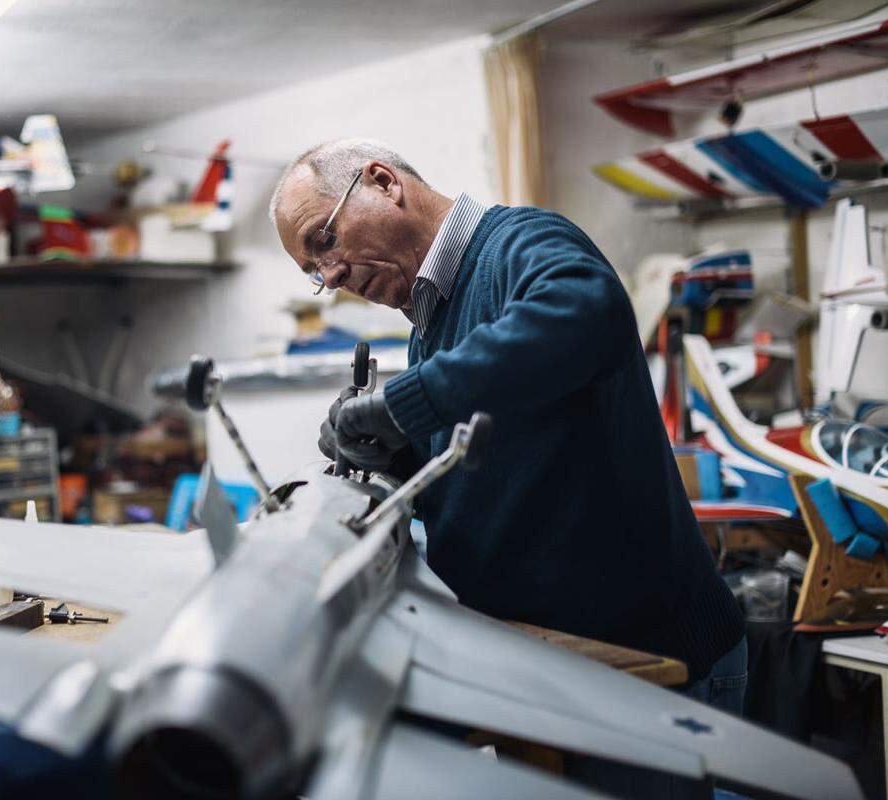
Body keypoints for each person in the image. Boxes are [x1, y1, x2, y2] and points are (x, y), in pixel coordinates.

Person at [270, 139, 747, 798]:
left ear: (382, 182)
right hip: (560, 669)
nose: (333, 275)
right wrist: (392, 448)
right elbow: (492, 440)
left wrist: (406, 402)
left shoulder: (523, 241)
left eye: (324, 240)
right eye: (314, 270)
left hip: (653, 660)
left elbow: (584, 313)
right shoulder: (431, 315)